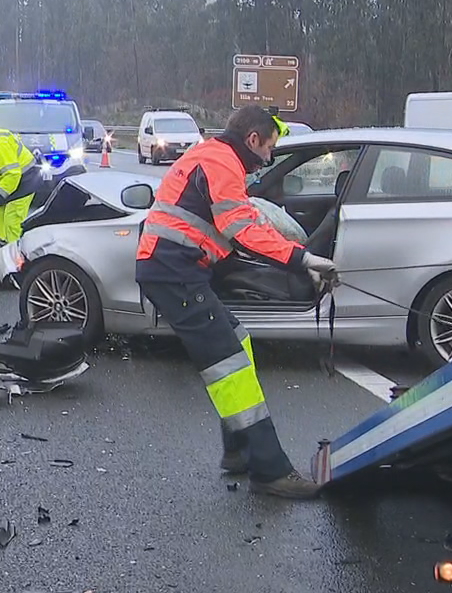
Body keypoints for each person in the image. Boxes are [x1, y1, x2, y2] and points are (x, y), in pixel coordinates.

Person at [135, 105, 338, 499]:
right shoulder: (221, 162)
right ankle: (270, 470)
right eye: (269, 148)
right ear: (253, 140)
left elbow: (248, 221)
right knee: (231, 368)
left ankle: (238, 451)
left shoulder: (212, 156)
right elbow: (242, 228)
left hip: (175, 269)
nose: (267, 159)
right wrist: (305, 259)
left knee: (237, 343)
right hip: (173, 271)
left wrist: (300, 258)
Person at [0, 123, 40, 244]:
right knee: (0, 223)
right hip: (6, 182)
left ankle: (16, 255)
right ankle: (2, 249)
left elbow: (13, 174)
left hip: (25, 180)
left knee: (12, 221)